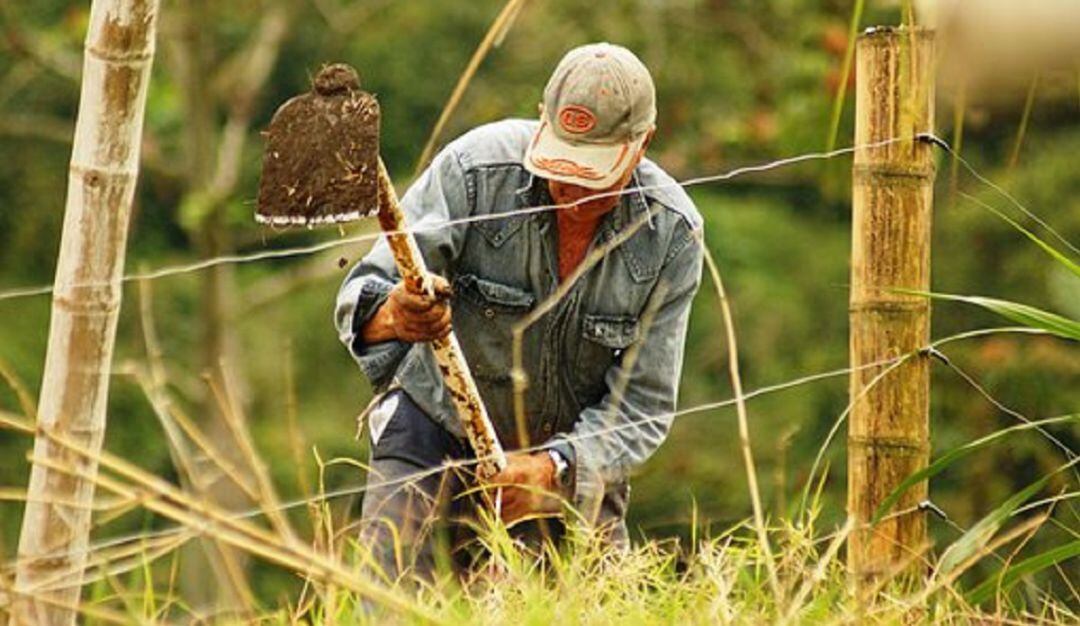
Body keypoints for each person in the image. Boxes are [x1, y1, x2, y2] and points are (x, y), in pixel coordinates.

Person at [335, 42, 703, 579]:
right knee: (389, 605)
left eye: (594, 174)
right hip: (432, 434)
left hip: (569, 467)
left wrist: (551, 472)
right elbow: (365, 294)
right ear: (542, 121)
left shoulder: (671, 234)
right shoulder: (474, 171)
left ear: (643, 144)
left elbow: (642, 406)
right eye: (562, 166)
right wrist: (396, 314)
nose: (573, 188)